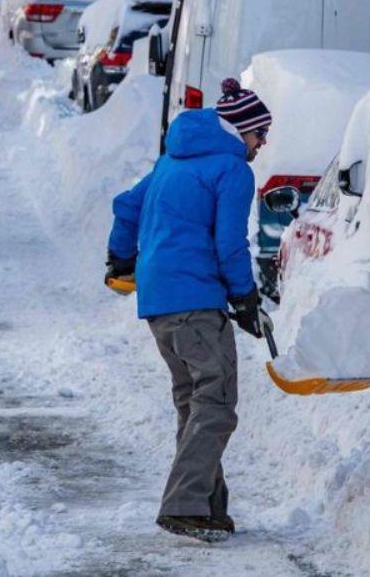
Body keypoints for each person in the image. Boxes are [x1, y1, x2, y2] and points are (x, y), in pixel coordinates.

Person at [106, 77, 271, 543]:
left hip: (158, 302)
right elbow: (228, 242)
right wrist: (244, 296)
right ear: (241, 131)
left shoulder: (171, 161)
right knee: (216, 402)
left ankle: (207, 507)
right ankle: (182, 504)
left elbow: (126, 207)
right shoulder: (232, 170)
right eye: (261, 133)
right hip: (196, 300)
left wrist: (120, 258)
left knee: (195, 401)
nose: (263, 143)